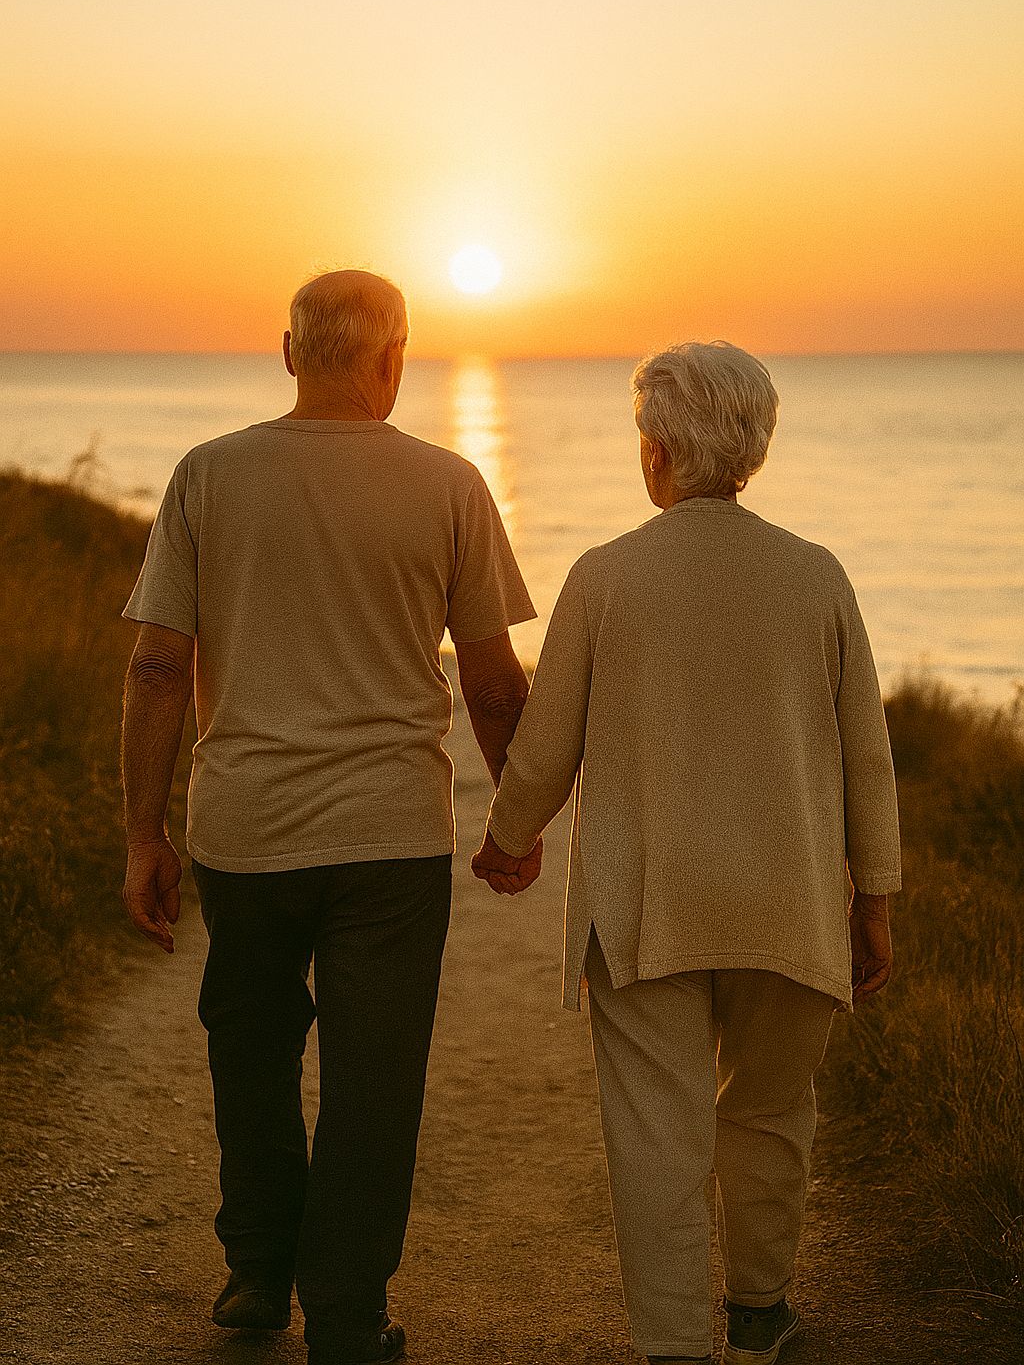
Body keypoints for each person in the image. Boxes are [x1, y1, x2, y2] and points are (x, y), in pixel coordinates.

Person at [120, 270, 537, 1365]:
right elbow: (494, 684)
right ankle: (346, 1314)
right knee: (376, 1075)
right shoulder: (448, 484)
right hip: (392, 839)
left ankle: (257, 1275)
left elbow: (159, 662)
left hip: (246, 831)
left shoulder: (207, 476)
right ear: (393, 356)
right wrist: (518, 816)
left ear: (289, 351)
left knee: (248, 1052)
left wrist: (142, 834)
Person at [472, 340, 901, 1365]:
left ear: (655, 450)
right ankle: (758, 1312)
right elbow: (865, 754)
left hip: (642, 908)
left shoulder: (605, 576)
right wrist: (873, 898)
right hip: (788, 903)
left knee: (654, 1138)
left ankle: (673, 1345)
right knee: (769, 1113)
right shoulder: (816, 577)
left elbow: (544, 746)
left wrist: (507, 841)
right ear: (752, 447)